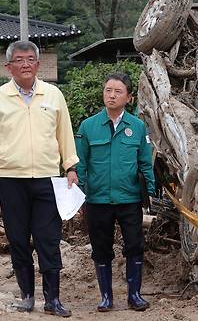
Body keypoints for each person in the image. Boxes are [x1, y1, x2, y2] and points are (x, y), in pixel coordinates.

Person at [0, 40, 79, 317]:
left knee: (48, 239)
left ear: (38, 64)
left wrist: (70, 166)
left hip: (47, 178)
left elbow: (64, 133)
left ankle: (53, 299)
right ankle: (27, 295)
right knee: (18, 238)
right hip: (11, 179)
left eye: (30, 59)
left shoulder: (53, 95)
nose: (25, 64)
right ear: (9, 67)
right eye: (19, 60)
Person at [75, 73, 156, 312]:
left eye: (118, 91)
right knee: (101, 248)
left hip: (129, 198)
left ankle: (135, 295)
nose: (111, 95)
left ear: (128, 97)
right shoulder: (88, 126)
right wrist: (80, 194)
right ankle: (106, 297)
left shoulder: (138, 127)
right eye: (108, 90)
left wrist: (149, 193)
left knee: (134, 245)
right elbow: (80, 163)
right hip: (98, 200)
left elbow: (144, 163)